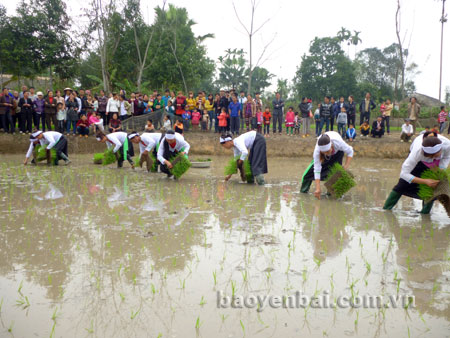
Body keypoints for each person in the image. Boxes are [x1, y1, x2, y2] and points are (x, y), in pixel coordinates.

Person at [383, 132, 450, 214]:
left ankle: (425, 214)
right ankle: (386, 209)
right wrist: (425, 181)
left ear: (440, 149)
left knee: (431, 189)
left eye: (435, 155)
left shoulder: (447, 145)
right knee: (402, 185)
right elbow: (404, 174)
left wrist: (441, 169)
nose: (432, 159)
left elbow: (446, 157)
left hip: (437, 164)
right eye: (430, 157)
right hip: (418, 163)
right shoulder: (417, 152)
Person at [300, 131, 354, 199]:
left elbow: (350, 151)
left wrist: (346, 166)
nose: (327, 153)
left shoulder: (338, 143)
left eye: (328, 151)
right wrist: (318, 188)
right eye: (324, 152)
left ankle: (330, 194)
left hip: (337, 154)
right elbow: (317, 169)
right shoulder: (317, 151)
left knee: (334, 173)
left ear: (331, 145)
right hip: (322, 157)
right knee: (308, 174)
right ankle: (303, 193)